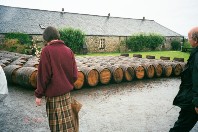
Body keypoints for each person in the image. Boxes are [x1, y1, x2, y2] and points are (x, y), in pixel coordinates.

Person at [35, 26, 78, 132]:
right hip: (66, 95)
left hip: (53, 97)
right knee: (69, 126)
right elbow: (75, 75)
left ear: (46, 38)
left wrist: (39, 94)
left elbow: (44, 75)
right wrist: (66, 83)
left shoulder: (46, 51)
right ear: (57, 36)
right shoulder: (69, 50)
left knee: (57, 128)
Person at [170, 27, 198, 132]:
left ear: (195, 40)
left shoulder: (197, 56)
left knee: (180, 128)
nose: (188, 40)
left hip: (191, 101)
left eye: (189, 38)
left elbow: (196, 80)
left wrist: (197, 103)